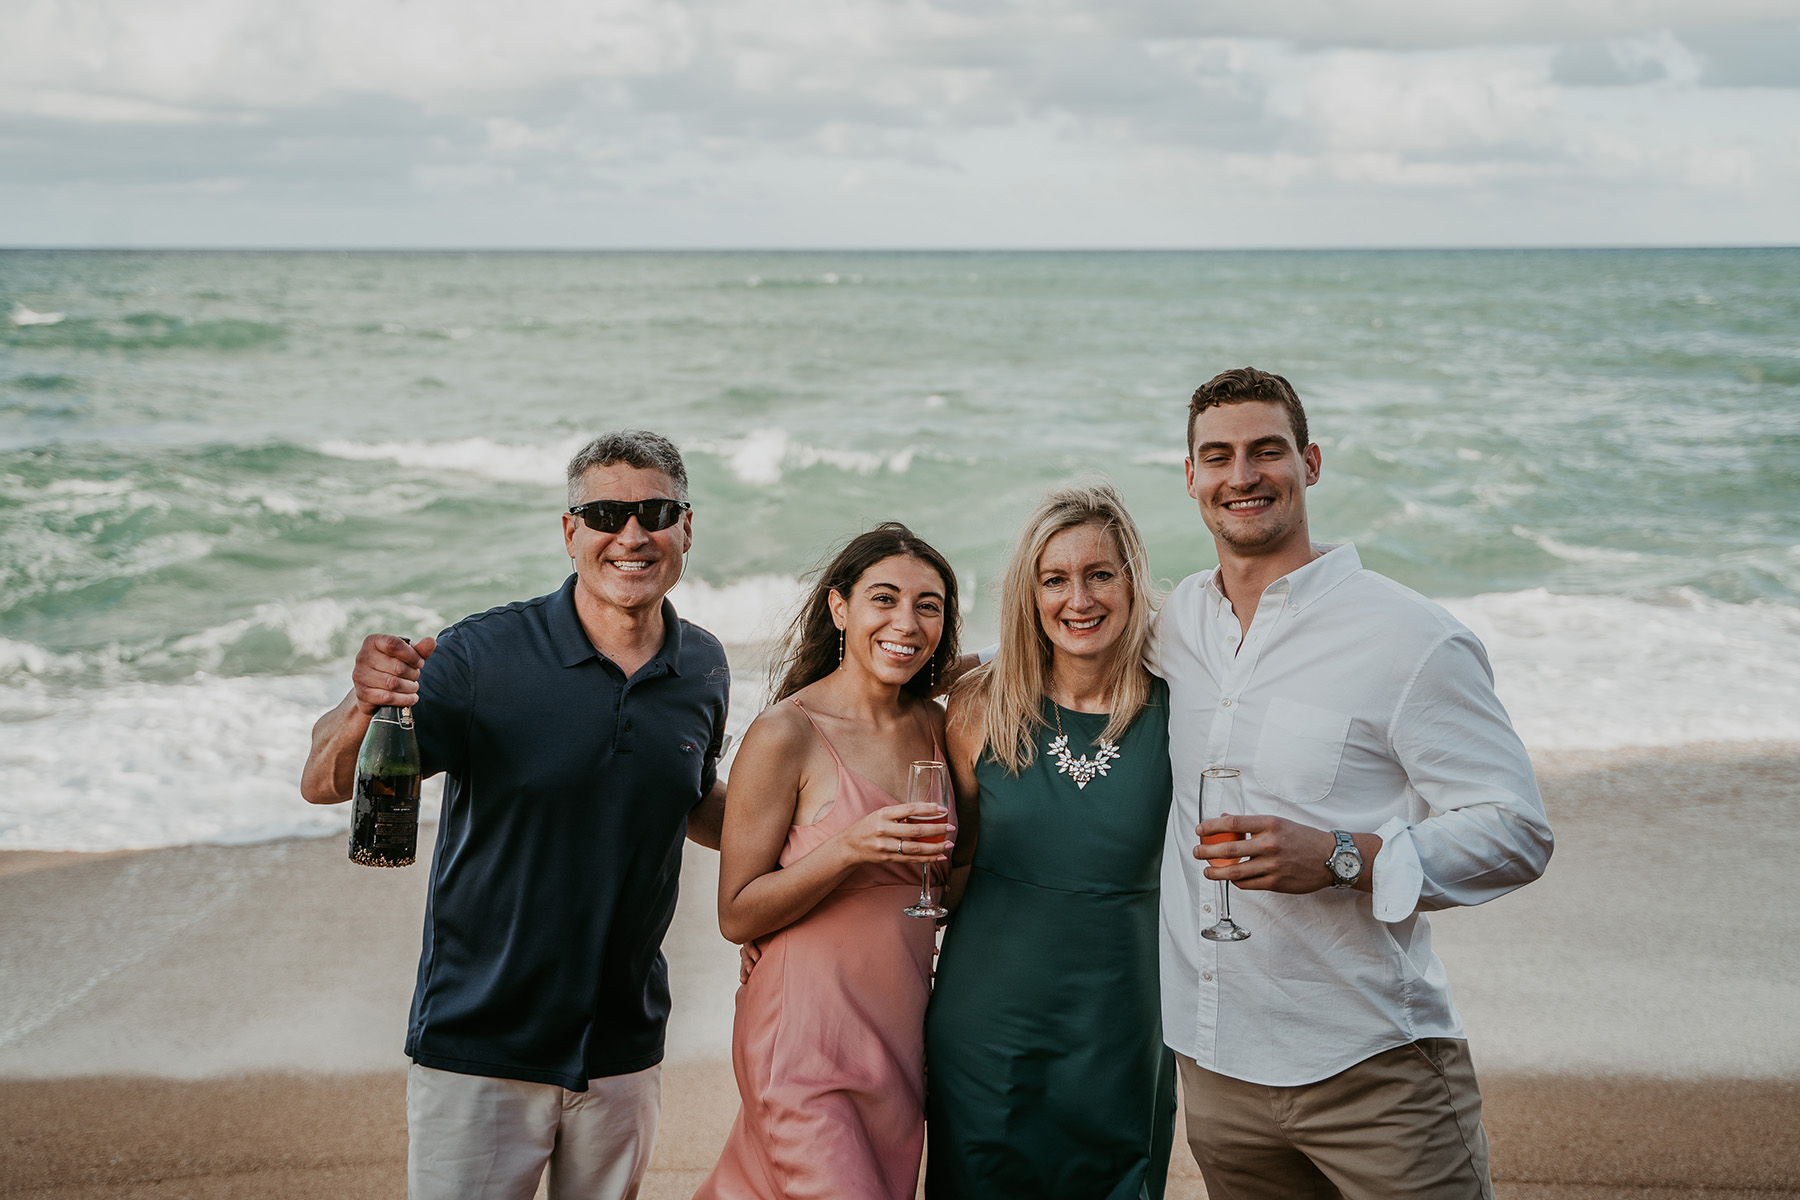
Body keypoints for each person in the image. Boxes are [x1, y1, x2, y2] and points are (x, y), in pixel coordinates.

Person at [1154, 368, 1554, 1199]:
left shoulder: (1409, 637)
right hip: (1218, 1073)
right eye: (1217, 456)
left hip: (1374, 1072)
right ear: (1188, 476)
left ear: (1311, 463)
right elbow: (1044, 657)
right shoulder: (1171, 625)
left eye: (1267, 451)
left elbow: (1516, 828)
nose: (1242, 476)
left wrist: (1346, 856)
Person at [299, 430, 730, 1200]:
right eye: (603, 513)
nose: (630, 535)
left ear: (686, 528)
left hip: (624, 1045)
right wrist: (361, 702)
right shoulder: (480, 657)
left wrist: (832, 824)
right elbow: (324, 782)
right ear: (571, 533)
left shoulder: (703, 665)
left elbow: (695, 804)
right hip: (480, 1042)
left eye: (655, 511)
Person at [926, 480, 1178, 1200]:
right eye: (1055, 579)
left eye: (1100, 574)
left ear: (1132, 583)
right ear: (1029, 595)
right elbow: (957, 861)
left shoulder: (1183, 709)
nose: (1080, 600)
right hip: (988, 1030)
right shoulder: (979, 706)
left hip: (1124, 1030)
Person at [694, 522, 961, 1200]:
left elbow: (951, 885)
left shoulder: (937, 725)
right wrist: (848, 849)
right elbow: (737, 911)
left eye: (928, 605)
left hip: (898, 1040)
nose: (906, 620)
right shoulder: (787, 733)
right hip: (803, 1037)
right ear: (840, 608)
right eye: (885, 598)